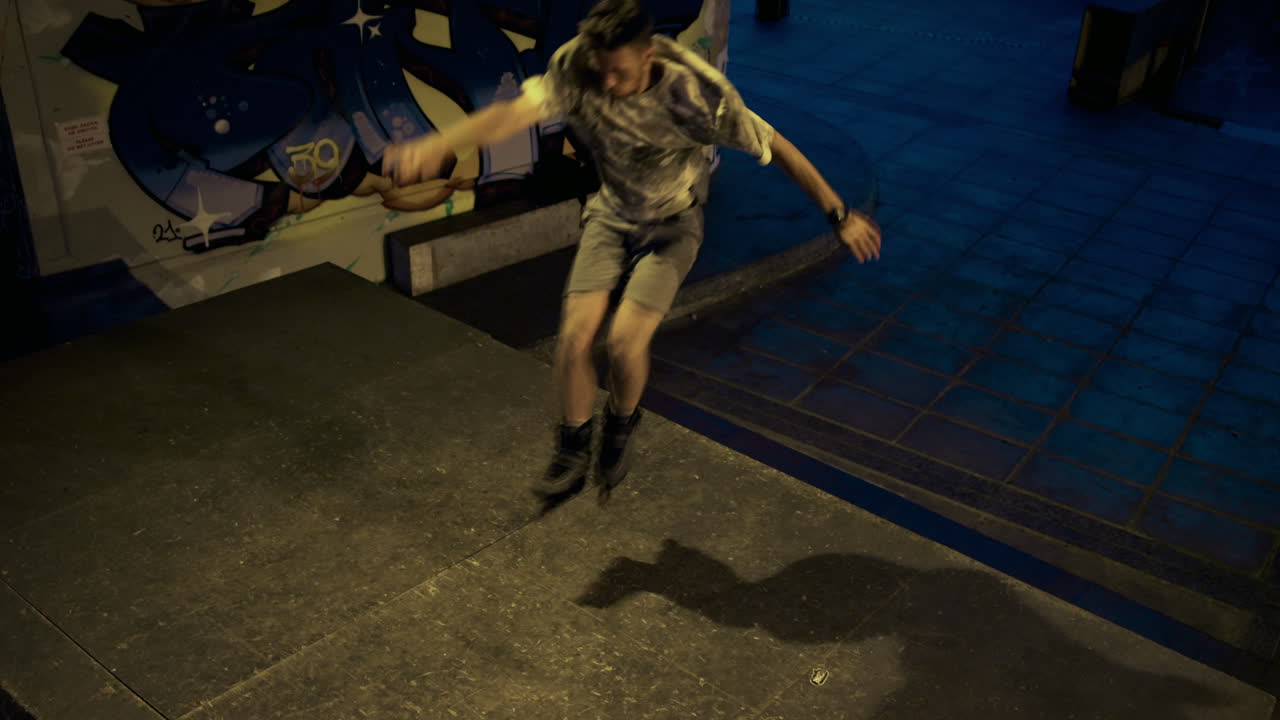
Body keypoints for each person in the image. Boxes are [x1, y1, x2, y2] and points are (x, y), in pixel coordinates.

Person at [384, 0, 881, 505]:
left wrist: (839, 215)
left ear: (648, 57)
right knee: (574, 340)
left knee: (624, 344)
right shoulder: (579, 66)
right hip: (611, 217)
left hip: (673, 227)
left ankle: (621, 422)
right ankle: (573, 445)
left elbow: (780, 146)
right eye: (602, 72)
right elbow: (511, 114)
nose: (608, 85)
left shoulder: (698, 95)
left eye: (619, 74)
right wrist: (441, 144)